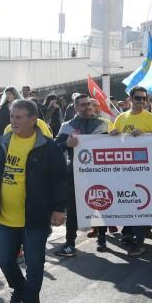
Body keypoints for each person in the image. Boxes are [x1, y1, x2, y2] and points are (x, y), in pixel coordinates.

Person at [0, 99, 67, 303]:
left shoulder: (47, 147)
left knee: (34, 264)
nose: (13, 122)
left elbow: (59, 180)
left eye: (18, 117)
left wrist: (59, 209)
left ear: (32, 120)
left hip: (35, 218)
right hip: (6, 217)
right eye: (11, 117)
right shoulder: (2, 143)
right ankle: (19, 288)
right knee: (4, 259)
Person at [53, 94, 111, 257]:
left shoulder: (103, 124)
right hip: (74, 173)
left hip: (99, 172)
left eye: (89, 104)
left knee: (100, 204)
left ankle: (102, 238)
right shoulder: (67, 126)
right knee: (72, 208)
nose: (87, 107)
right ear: (76, 107)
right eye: (83, 105)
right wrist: (66, 143)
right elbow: (55, 148)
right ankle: (70, 243)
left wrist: (115, 137)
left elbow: (112, 147)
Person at [108, 86, 152, 256]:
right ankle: (128, 232)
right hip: (125, 169)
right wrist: (114, 134)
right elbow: (115, 142)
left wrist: (145, 134)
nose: (142, 102)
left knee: (139, 203)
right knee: (127, 201)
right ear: (130, 99)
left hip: (146, 170)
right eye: (138, 98)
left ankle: (138, 241)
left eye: (144, 99)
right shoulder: (120, 118)